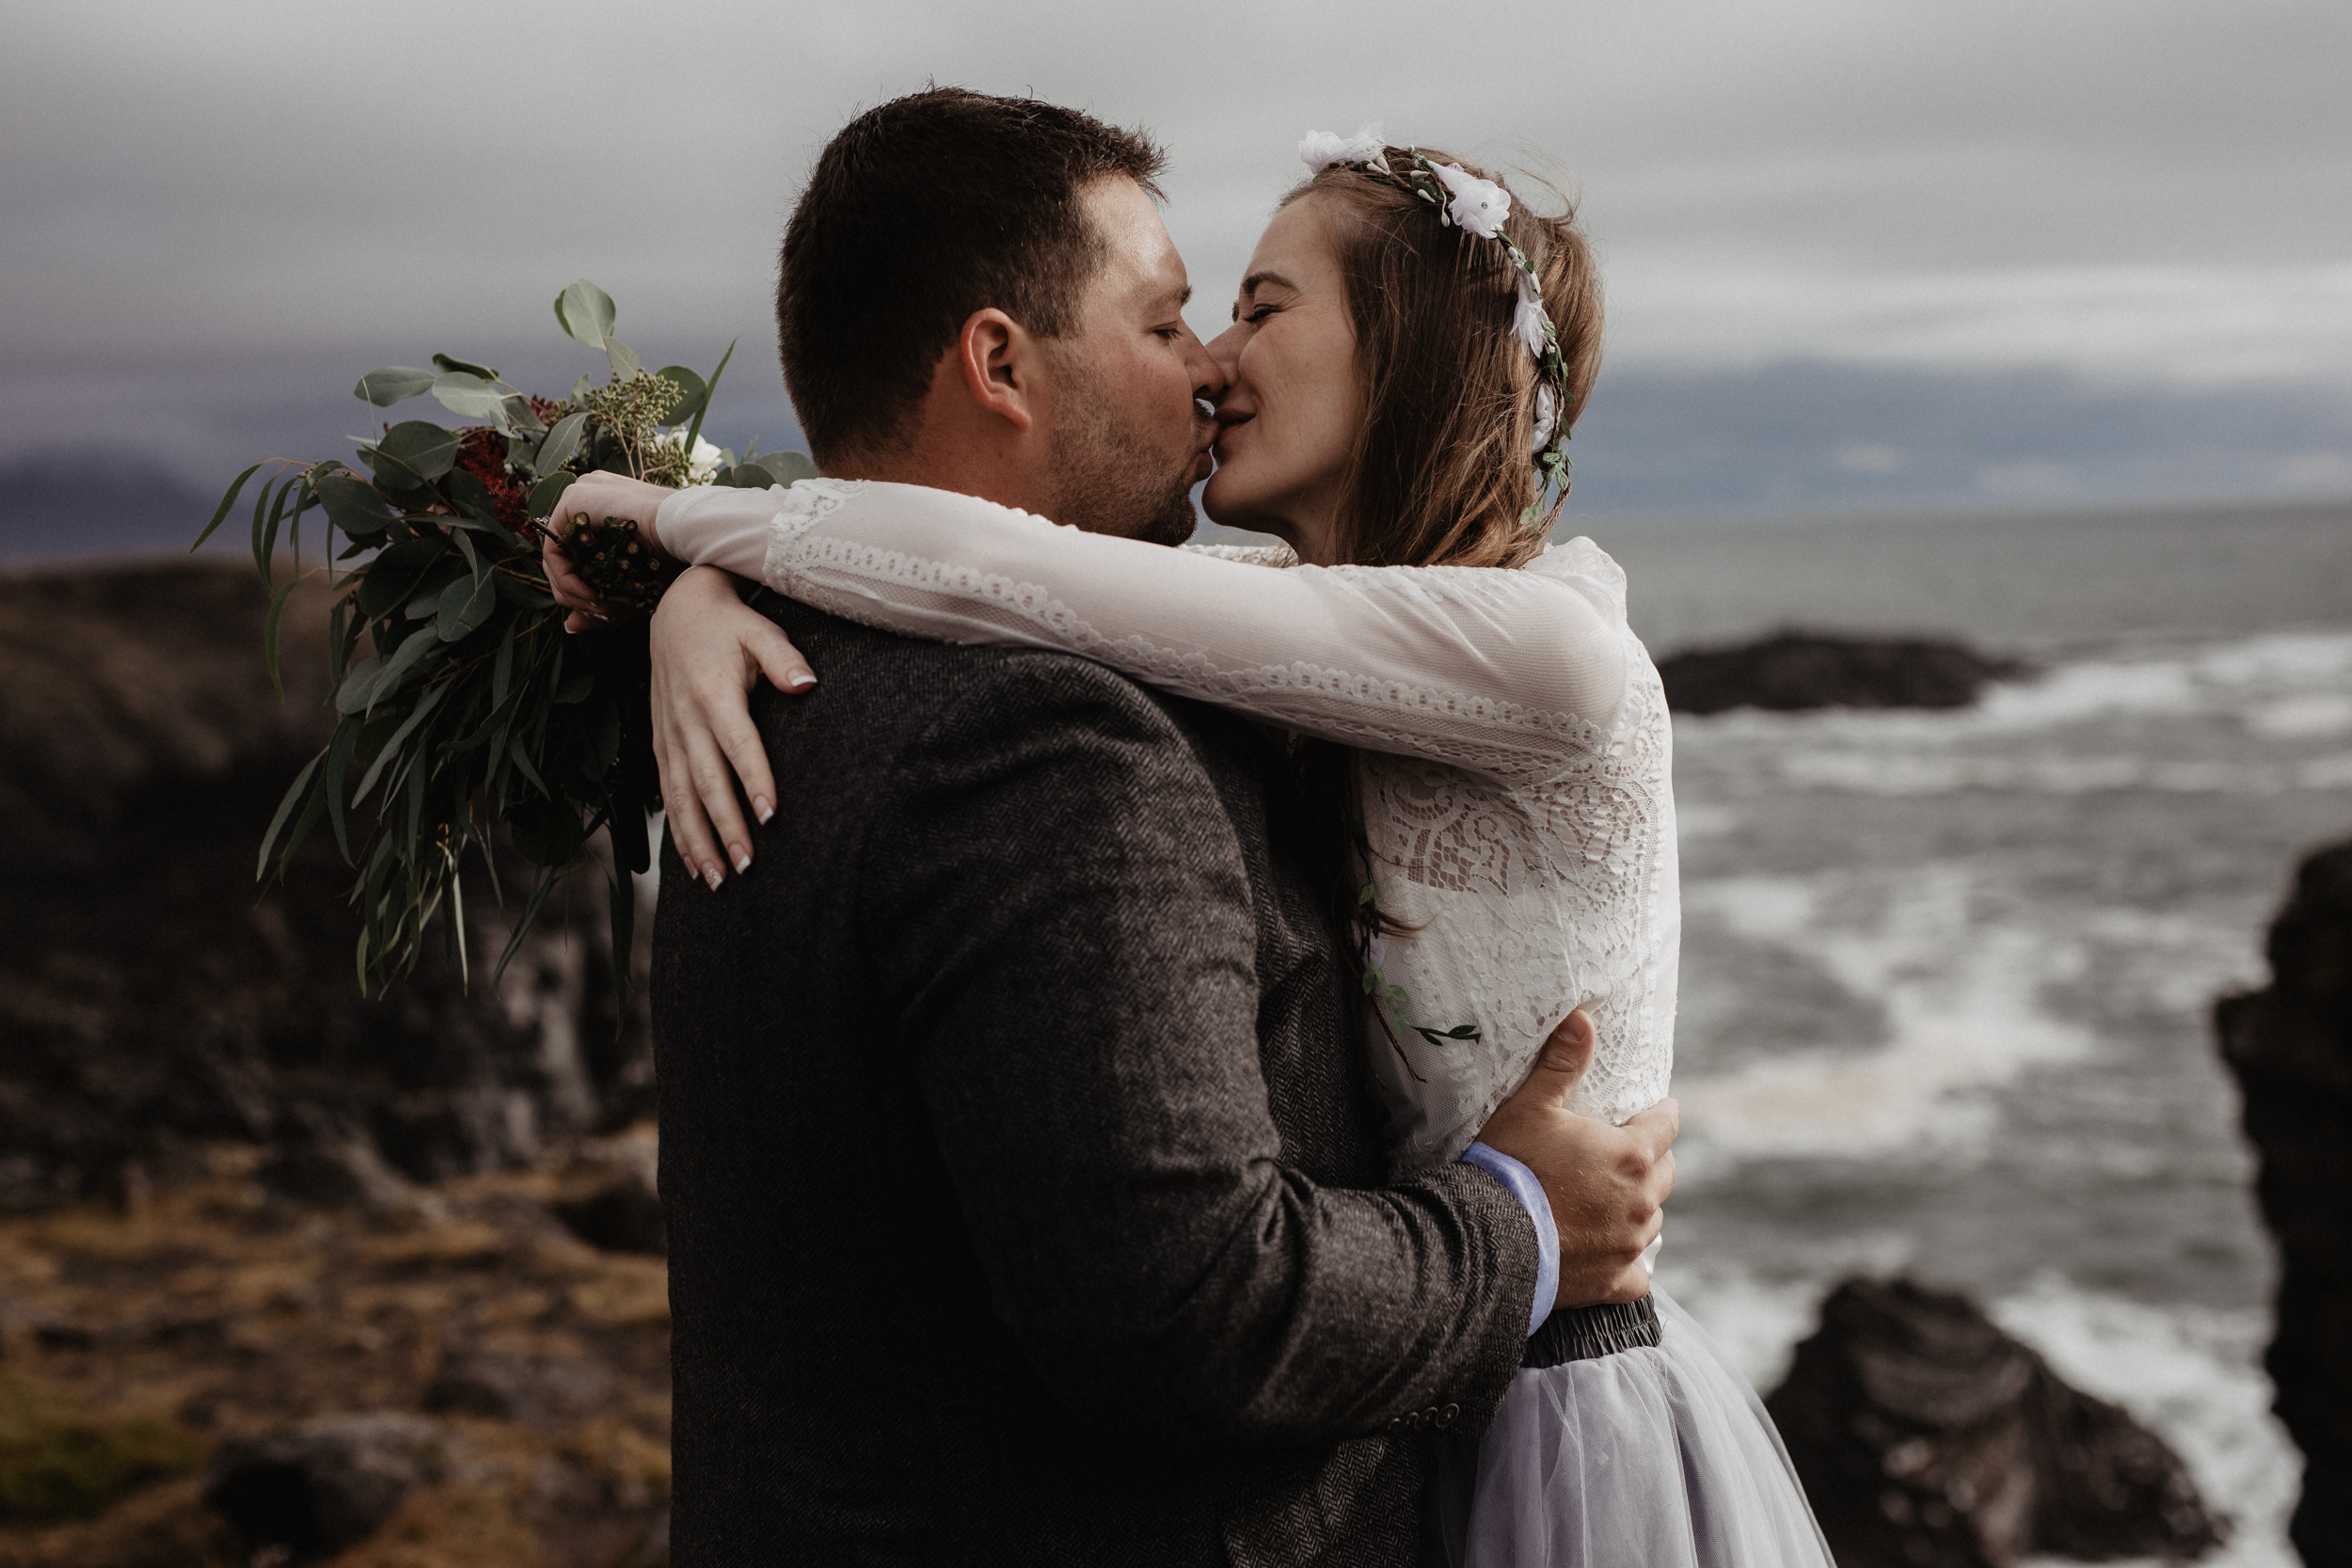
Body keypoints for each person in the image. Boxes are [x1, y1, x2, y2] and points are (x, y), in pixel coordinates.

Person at [548, 89, 1685, 1566]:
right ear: (1001, 363)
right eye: (1166, 326)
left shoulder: (775, 700)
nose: (1208, 367)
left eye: (1245, 314)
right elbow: (1200, 1312)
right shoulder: (1053, 749)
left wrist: (689, 562)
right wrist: (1524, 1224)